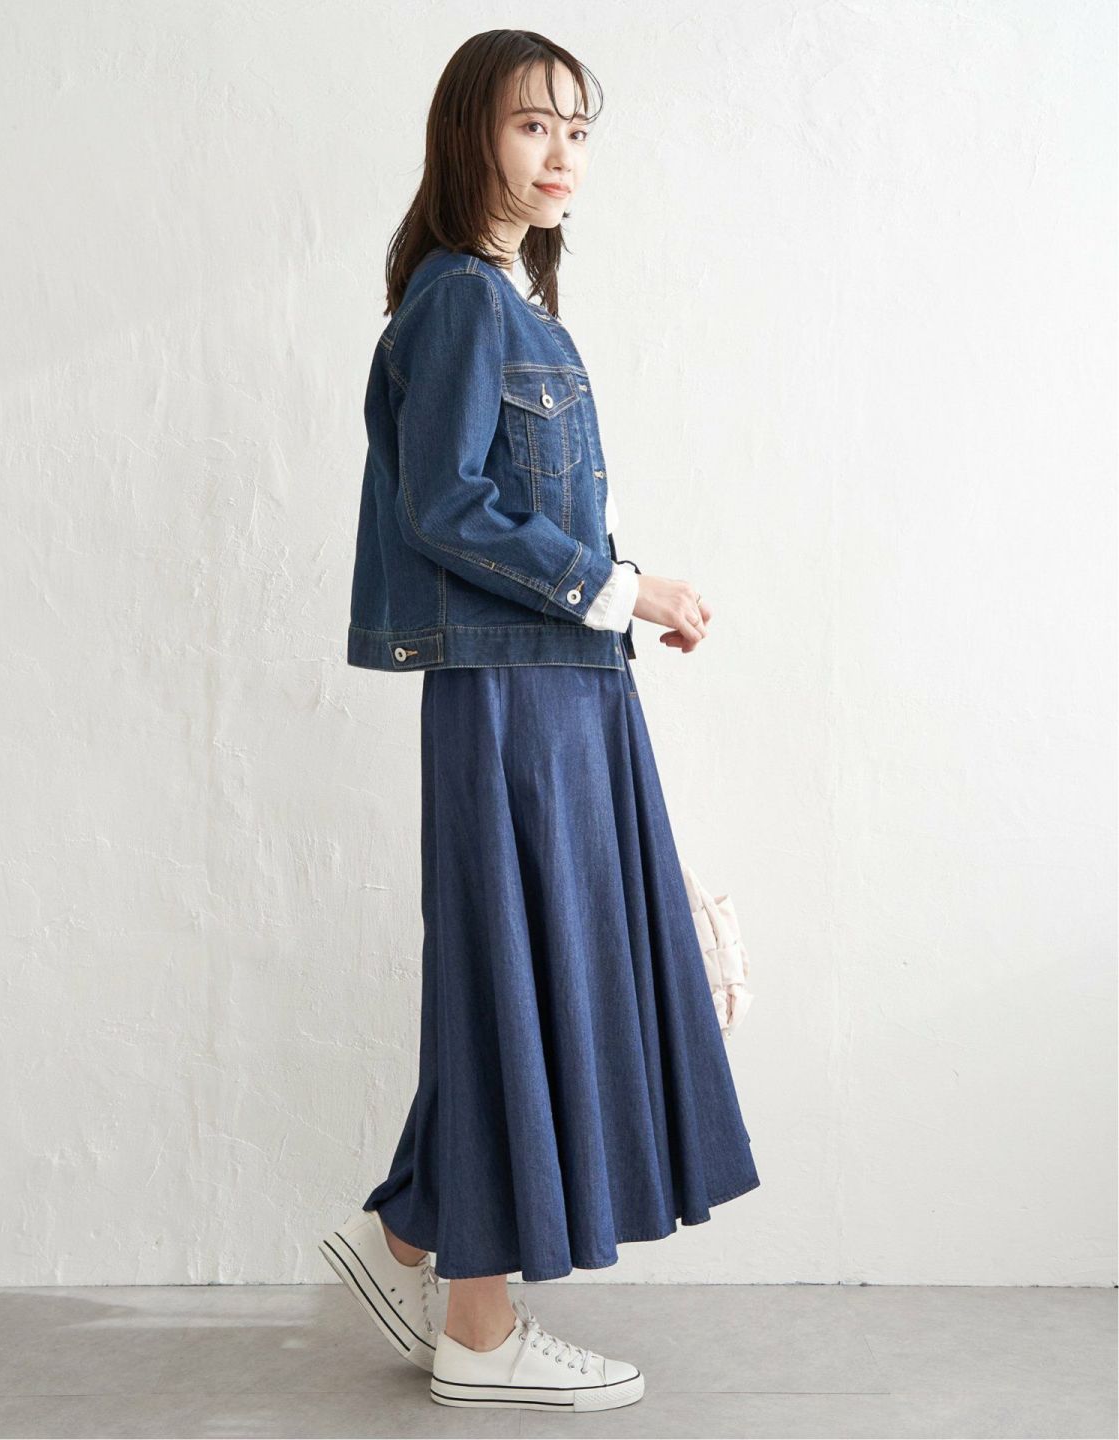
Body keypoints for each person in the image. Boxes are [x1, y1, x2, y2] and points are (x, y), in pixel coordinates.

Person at [322, 29, 761, 1415]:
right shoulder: (462, 299)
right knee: (516, 980)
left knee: (535, 972)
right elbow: (446, 505)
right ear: (472, 138)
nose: (562, 152)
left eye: (578, 127)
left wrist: (626, 600)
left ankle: (410, 1236)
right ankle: (476, 1326)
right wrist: (624, 588)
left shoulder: (512, 302)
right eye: (532, 125)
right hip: (515, 694)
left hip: (558, 683)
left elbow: (514, 509)